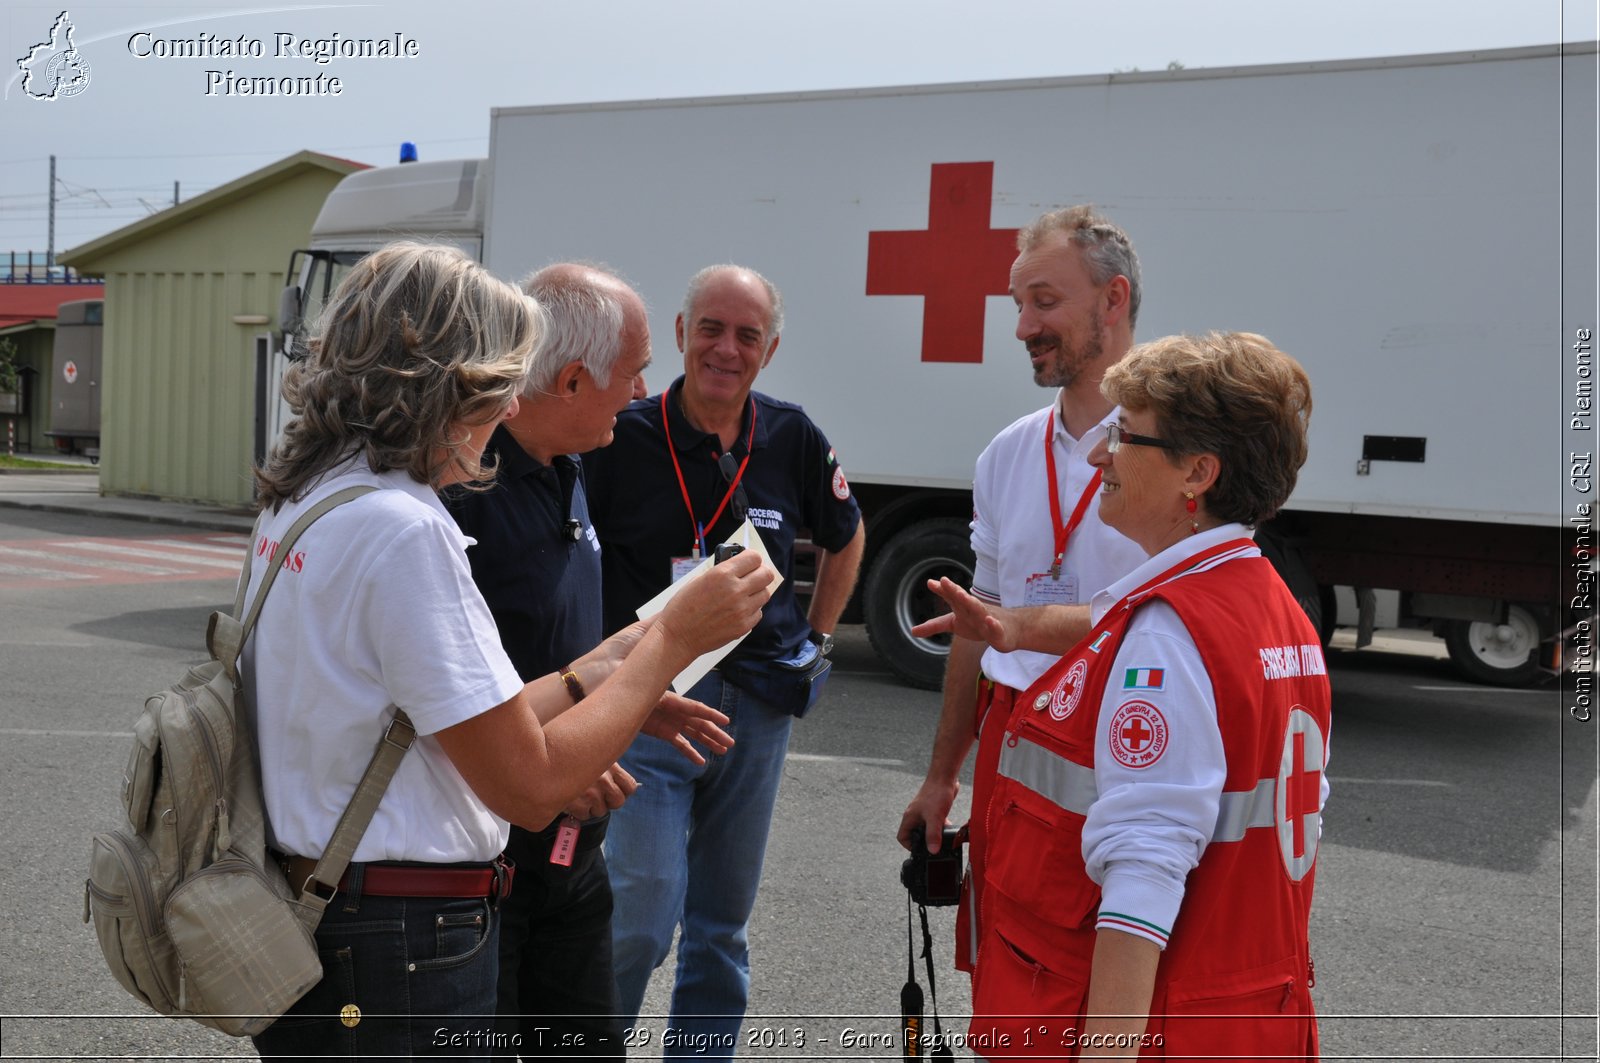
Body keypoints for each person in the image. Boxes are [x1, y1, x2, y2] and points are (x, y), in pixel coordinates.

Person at [243, 242, 774, 1061]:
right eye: (502, 378)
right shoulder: (407, 527)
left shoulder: (307, 497)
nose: (508, 406)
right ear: (452, 379)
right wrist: (670, 639)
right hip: (404, 935)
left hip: (321, 905)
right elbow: (530, 785)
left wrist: (608, 667)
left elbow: (435, 721)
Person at [937, 332, 1330, 1058]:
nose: (1097, 456)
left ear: (1197, 473)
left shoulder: (1168, 634)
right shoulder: (1280, 613)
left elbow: (1142, 876)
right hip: (1246, 1021)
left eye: (1124, 435)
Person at [584, 263, 866, 1058]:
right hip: (650, 708)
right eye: (710, 327)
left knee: (720, 928)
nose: (726, 348)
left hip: (758, 712)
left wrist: (815, 638)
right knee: (640, 909)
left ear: (769, 349)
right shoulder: (623, 437)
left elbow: (847, 536)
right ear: (680, 334)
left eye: (747, 334)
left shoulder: (793, 434)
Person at [897, 206, 1147, 971]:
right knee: (1010, 979)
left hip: (1129, 755)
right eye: (1018, 304)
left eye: (1044, 301)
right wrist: (942, 778)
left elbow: (1188, 619)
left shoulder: (1174, 452)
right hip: (1014, 771)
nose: (1022, 326)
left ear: (1114, 300)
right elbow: (978, 627)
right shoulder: (1007, 455)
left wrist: (1019, 626)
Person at [443, 262, 661, 1058]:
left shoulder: (570, 462)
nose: (641, 393)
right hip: (488, 866)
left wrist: (636, 694)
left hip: (573, 849)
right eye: (633, 373)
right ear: (572, 379)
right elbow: (451, 688)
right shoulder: (460, 492)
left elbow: (557, 638)